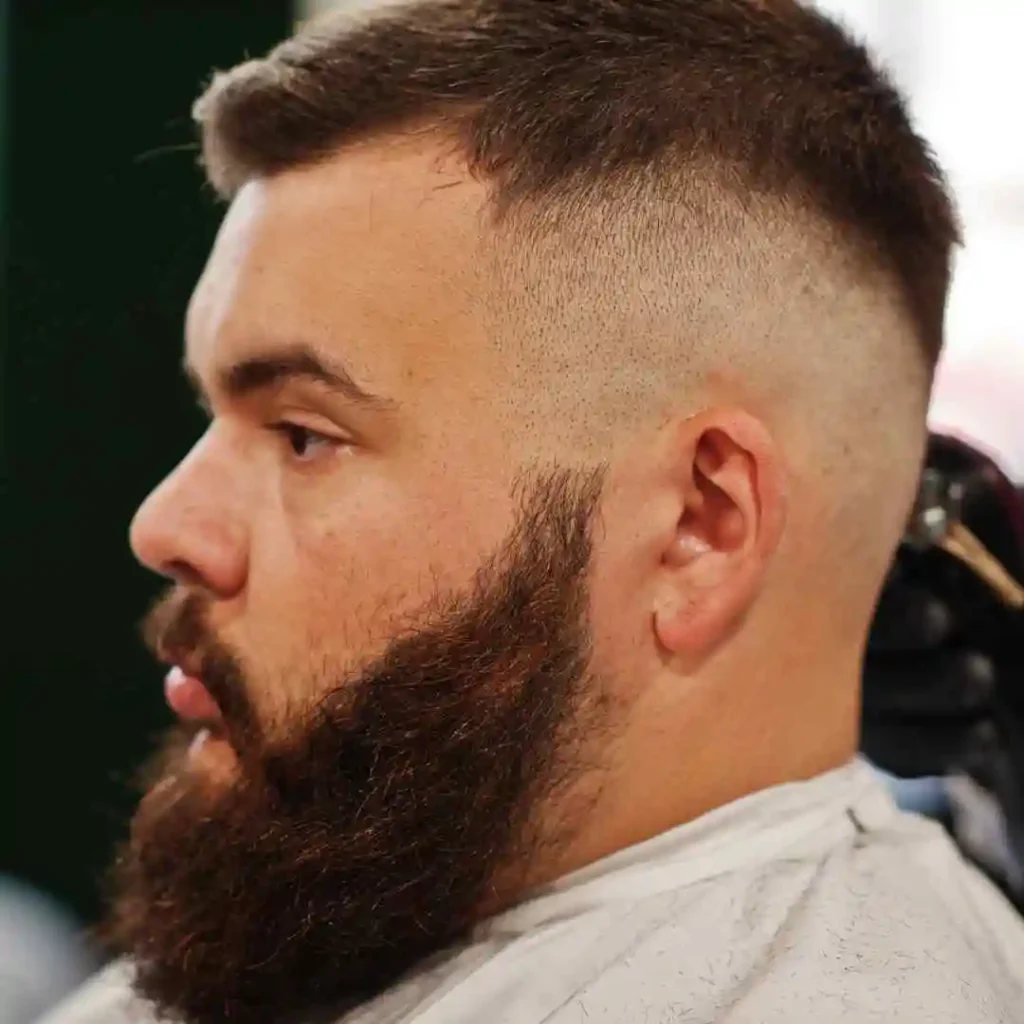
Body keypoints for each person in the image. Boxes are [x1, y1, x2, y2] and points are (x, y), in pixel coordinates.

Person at [42, 2, 1024, 1022]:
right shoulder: (344, 915)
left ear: (698, 524)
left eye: (303, 435)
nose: (163, 525)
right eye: (213, 417)